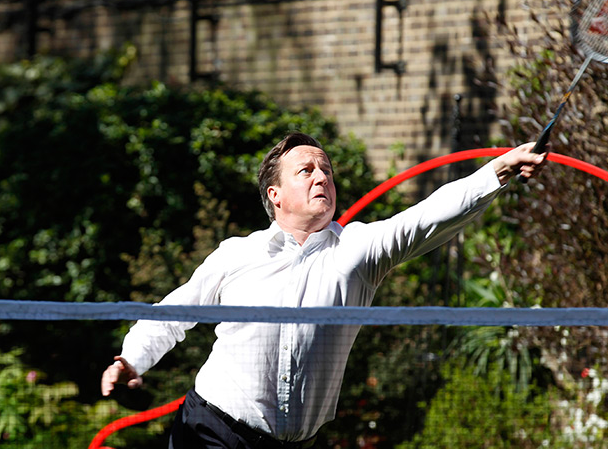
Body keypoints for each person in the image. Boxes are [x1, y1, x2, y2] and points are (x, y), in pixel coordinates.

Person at [101, 132, 547, 449]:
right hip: (213, 430)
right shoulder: (239, 253)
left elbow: (429, 216)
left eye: (326, 171)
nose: (321, 177)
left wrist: (497, 171)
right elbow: (177, 308)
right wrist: (131, 358)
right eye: (306, 170)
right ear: (275, 194)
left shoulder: (359, 251)